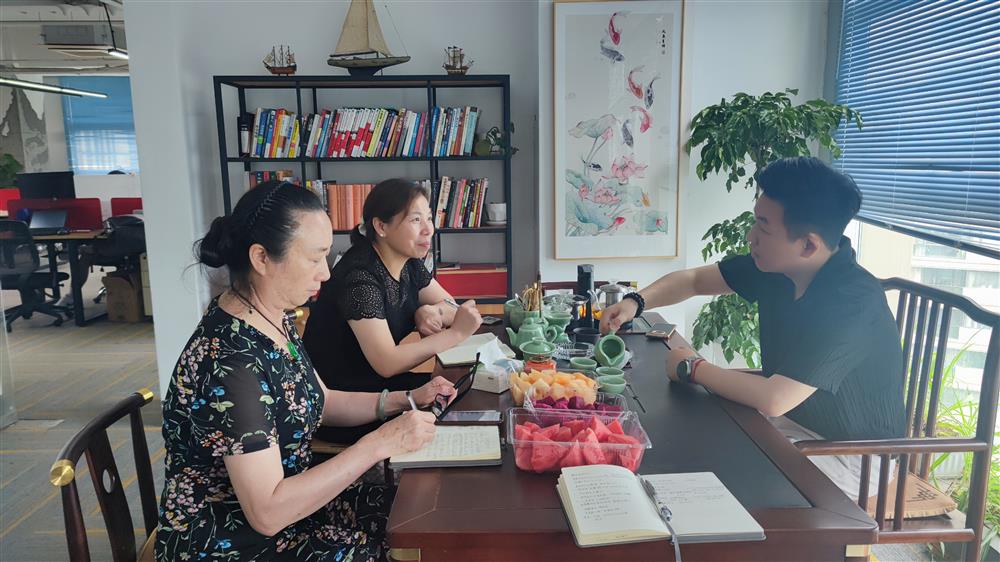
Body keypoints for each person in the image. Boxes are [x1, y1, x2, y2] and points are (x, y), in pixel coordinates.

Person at [156, 181, 457, 562]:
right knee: (390, 546)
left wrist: (407, 399)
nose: (326, 274)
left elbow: (322, 400)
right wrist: (379, 443)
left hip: (292, 508)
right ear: (261, 258)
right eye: (315, 259)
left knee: (413, 508)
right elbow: (267, 513)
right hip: (230, 540)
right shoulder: (230, 361)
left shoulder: (271, 317)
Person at [600, 157, 905, 499]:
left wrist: (693, 367)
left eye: (763, 227)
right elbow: (695, 280)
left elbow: (775, 398)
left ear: (808, 245)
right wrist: (635, 302)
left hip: (852, 454)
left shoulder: (854, 301)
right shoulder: (779, 267)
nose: (751, 236)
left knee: (708, 481)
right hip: (791, 422)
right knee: (681, 441)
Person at [303, 179, 482, 442]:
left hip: (378, 387)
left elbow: (454, 308)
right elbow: (387, 362)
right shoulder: (360, 279)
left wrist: (429, 310)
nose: (428, 229)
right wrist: (455, 334)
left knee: (463, 394)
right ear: (381, 226)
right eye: (416, 220)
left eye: (429, 218)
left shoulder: (408, 262)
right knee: (454, 414)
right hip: (345, 403)